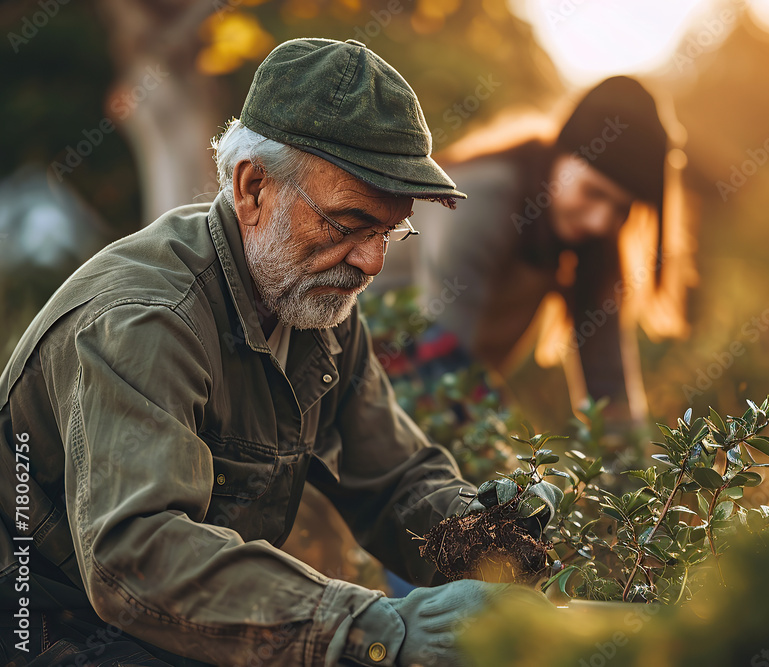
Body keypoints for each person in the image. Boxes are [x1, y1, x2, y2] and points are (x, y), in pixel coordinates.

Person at [0, 38, 559, 667]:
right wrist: (376, 628)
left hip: (170, 624)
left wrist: (491, 537)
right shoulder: (145, 321)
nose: (372, 261)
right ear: (254, 188)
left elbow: (393, 479)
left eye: (389, 231)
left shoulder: (313, 306)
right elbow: (138, 554)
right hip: (46, 623)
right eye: (349, 225)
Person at [391, 76, 694, 431]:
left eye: (620, 209)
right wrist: (515, 476)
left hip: (425, 408)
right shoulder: (480, 203)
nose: (600, 222)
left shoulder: (588, 243)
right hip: (351, 382)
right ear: (559, 158)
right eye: (592, 192)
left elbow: (610, 394)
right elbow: (443, 370)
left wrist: (640, 483)